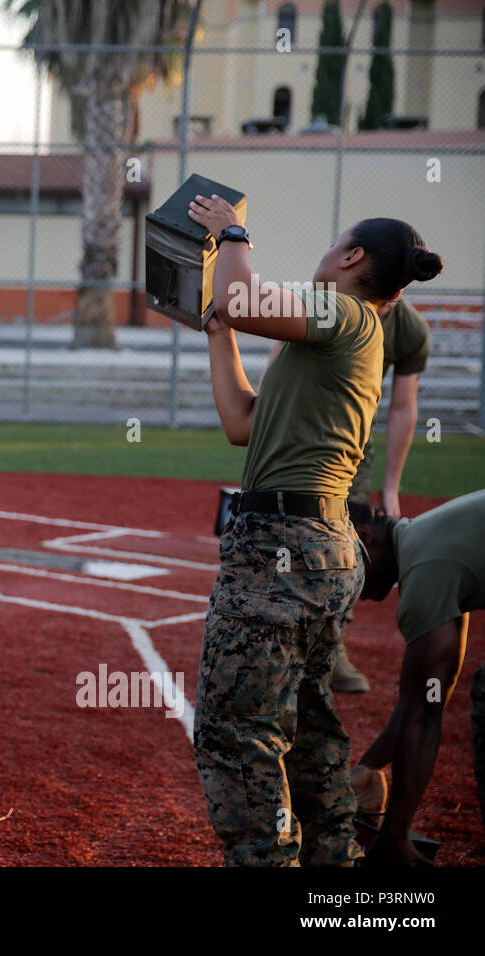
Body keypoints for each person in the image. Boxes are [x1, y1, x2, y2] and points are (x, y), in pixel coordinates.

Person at [186, 200, 443, 867]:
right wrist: (221, 337)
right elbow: (244, 423)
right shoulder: (331, 335)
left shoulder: (348, 314)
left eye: (337, 245)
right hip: (317, 543)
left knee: (237, 730)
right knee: (304, 727)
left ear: (353, 259)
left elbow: (240, 295)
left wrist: (231, 232)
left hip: (283, 543)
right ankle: (334, 867)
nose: (327, 254)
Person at [348, 490, 485, 866]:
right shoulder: (427, 541)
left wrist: (393, 840)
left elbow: (424, 714)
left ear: (363, 536)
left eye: (341, 564)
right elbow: (432, 694)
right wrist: (368, 768)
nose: (347, 587)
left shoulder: (424, 575)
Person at [332, 297, 431, 693]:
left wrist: (391, 485)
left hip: (352, 447)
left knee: (345, 543)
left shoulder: (409, 329)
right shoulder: (327, 300)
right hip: (300, 435)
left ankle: (329, 649)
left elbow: (403, 406)